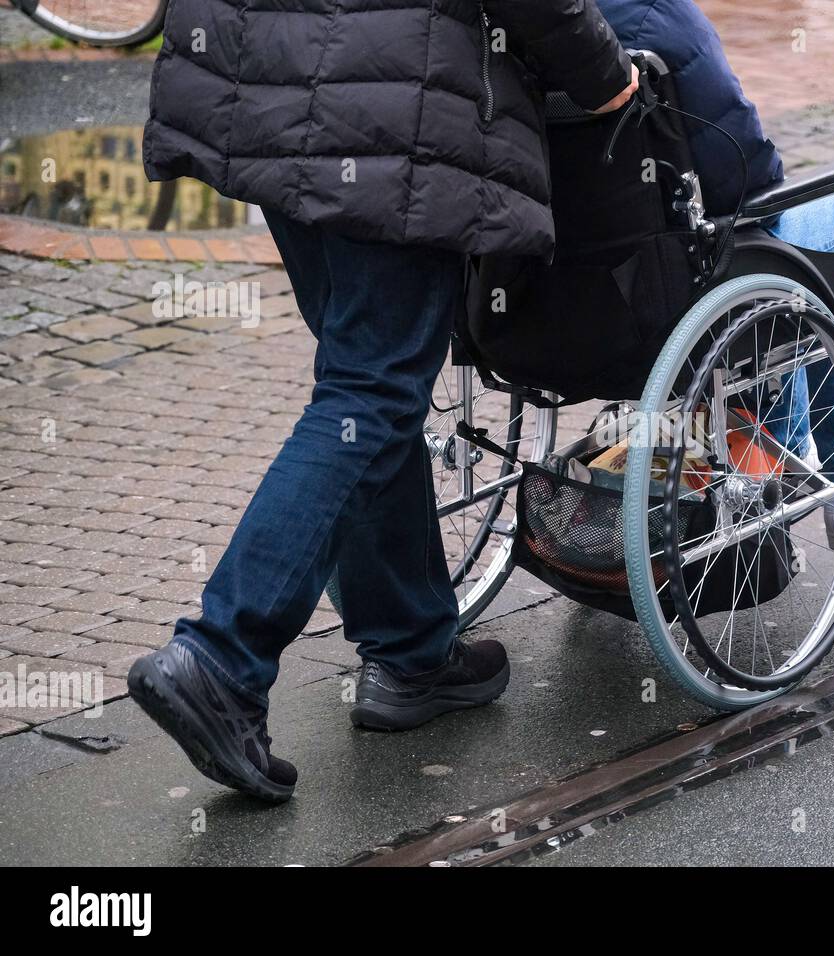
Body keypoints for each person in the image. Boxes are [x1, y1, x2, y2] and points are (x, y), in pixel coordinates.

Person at [127, 1, 639, 803]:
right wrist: (607, 77)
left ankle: (412, 650)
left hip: (270, 77)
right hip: (390, 98)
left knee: (367, 387)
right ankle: (222, 660)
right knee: (370, 387)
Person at [598, 0, 834, 546]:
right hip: (681, 276)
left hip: (583, 287)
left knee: (778, 259)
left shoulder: (525, 28)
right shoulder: (661, 20)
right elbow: (748, 175)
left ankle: (795, 436)